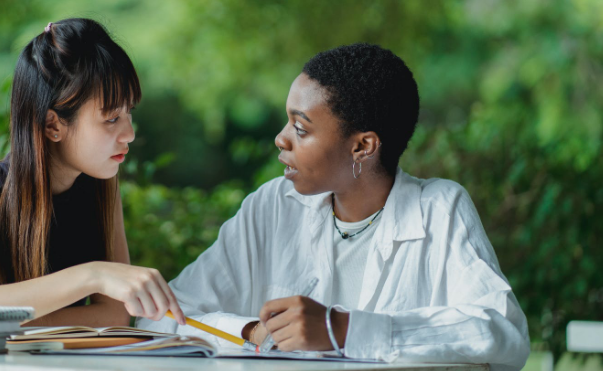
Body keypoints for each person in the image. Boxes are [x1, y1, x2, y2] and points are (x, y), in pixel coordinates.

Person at [137, 43, 529, 370]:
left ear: (363, 146)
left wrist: (342, 329)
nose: (280, 139)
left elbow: (502, 332)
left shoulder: (439, 208)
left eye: (301, 129)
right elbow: (161, 316)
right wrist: (253, 331)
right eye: (287, 123)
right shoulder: (273, 207)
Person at [0, 18, 186, 327]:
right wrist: (92, 276)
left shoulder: (101, 188)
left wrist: (2, 322)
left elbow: (114, 316)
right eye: (111, 118)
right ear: (53, 125)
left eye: (129, 113)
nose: (129, 134)